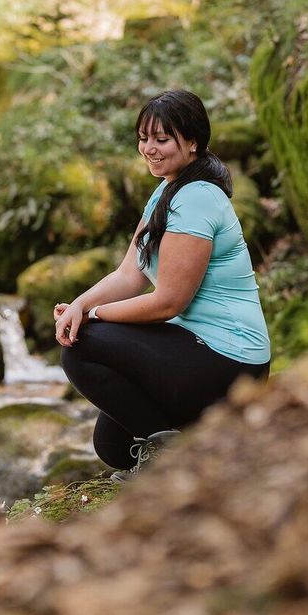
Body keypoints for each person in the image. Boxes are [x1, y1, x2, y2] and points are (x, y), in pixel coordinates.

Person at [54, 89, 270, 474]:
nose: (149, 149)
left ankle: (179, 460)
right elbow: (128, 274)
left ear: (192, 142)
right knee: (114, 445)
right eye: (143, 138)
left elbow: (169, 302)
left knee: (82, 346)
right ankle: (185, 441)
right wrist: (79, 305)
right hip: (196, 347)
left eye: (161, 139)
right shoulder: (167, 191)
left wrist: (95, 317)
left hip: (229, 359)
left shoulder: (199, 198)